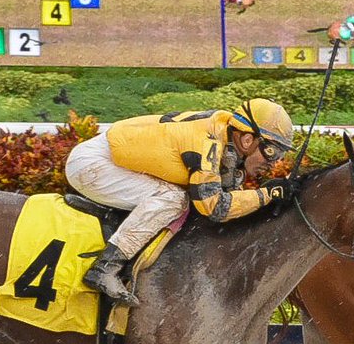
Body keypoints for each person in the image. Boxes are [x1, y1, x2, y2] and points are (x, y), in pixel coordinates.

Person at [63, 98, 299, 306]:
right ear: (247, 140)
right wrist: (266, 195)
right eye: (272, 152)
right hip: (93, 164)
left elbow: (231, 199)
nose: (274, 162)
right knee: (173, 199)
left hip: (113, 161)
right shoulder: (207, 143)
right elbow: (215, 207)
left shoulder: (225, 136)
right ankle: (105, 268)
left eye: (280, 155)